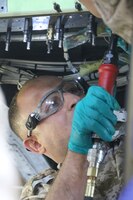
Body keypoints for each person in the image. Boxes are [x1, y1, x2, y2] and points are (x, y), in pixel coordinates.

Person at [8, 76, 125, 200]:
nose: (74, 98)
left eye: (72, 90)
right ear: (35, 144)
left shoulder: (123, 132)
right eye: (52, 104)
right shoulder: (40, 188)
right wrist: (79, 150)